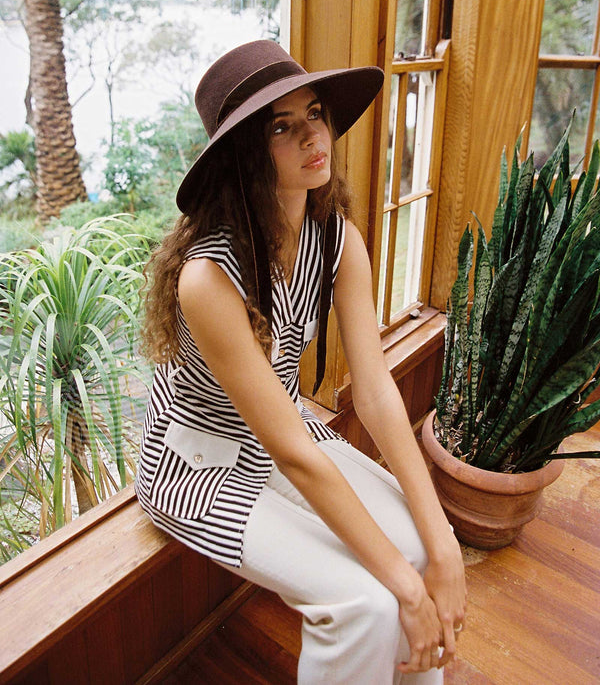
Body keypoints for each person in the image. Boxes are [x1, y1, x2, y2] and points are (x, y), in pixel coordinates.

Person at [136, 40, 466, 684]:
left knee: (423, 551)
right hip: (198, 463)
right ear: (245, 156)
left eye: (314, 114)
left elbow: (374, 395)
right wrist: (402, 584)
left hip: (286, 435)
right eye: (282, 128)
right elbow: (290, 452)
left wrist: (446, 546)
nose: (313, 136)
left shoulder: (337, 237)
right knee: (365, 600)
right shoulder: (209, 278)